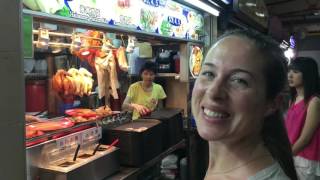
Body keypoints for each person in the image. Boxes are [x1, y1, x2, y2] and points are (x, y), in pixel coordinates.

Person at [191, 29, 298, 180]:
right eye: (209, 73)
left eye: (239, 80)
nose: (213, 92)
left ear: (272, 104)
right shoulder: (221, 168)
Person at [285, 57, 320, 180]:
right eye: (289, 71)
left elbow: (306, 138)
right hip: (293, 153)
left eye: (295, 72)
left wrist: (287, 155)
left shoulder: (314, 101)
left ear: (307, 75)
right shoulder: (293, 99)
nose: (290, 75)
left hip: (306, 159)